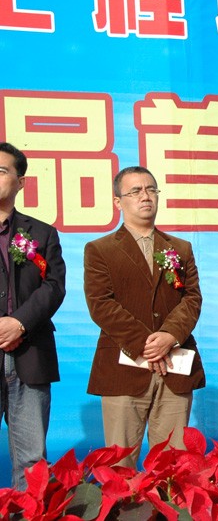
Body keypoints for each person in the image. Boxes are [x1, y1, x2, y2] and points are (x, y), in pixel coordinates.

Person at [85, 166, 205, 468]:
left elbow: (192, 299)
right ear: (118, 201)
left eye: (151, 189)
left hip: (175, 365)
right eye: (135, 191)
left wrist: (169, 337)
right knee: (119, 465)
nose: (145, 196)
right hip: (123, 368)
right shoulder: (99, 250)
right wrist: (147, 345)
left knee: (173, 465)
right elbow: (101, 304)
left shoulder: (181, 248)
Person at [0, 142, 65, 489]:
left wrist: (19, 323)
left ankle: (28, 512)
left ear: (20, 182)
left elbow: (54, 286)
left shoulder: (41, 233)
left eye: (1, 170)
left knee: (31, 460)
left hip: (30, 353)